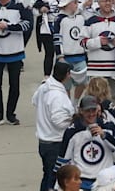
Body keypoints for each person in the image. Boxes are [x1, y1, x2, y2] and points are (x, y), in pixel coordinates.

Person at [56, 96, 115, 188]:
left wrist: (105, 135)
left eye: (93, 110)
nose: (91, 114)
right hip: (81, 181)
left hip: (104, 182)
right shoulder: (72, 131)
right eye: (88, 111)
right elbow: (63, 159)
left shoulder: (108, 126)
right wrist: (58, 185)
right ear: (81, 111)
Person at [32, 61, 76, 191]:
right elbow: (58, 121)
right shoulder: (57, 96)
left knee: (47, 176)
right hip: (55, 143)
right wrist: (73, 119)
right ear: (66, 75)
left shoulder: (44, 87)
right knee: (54, 179)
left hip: (44, 142)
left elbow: (34, 100)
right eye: (69, 73)